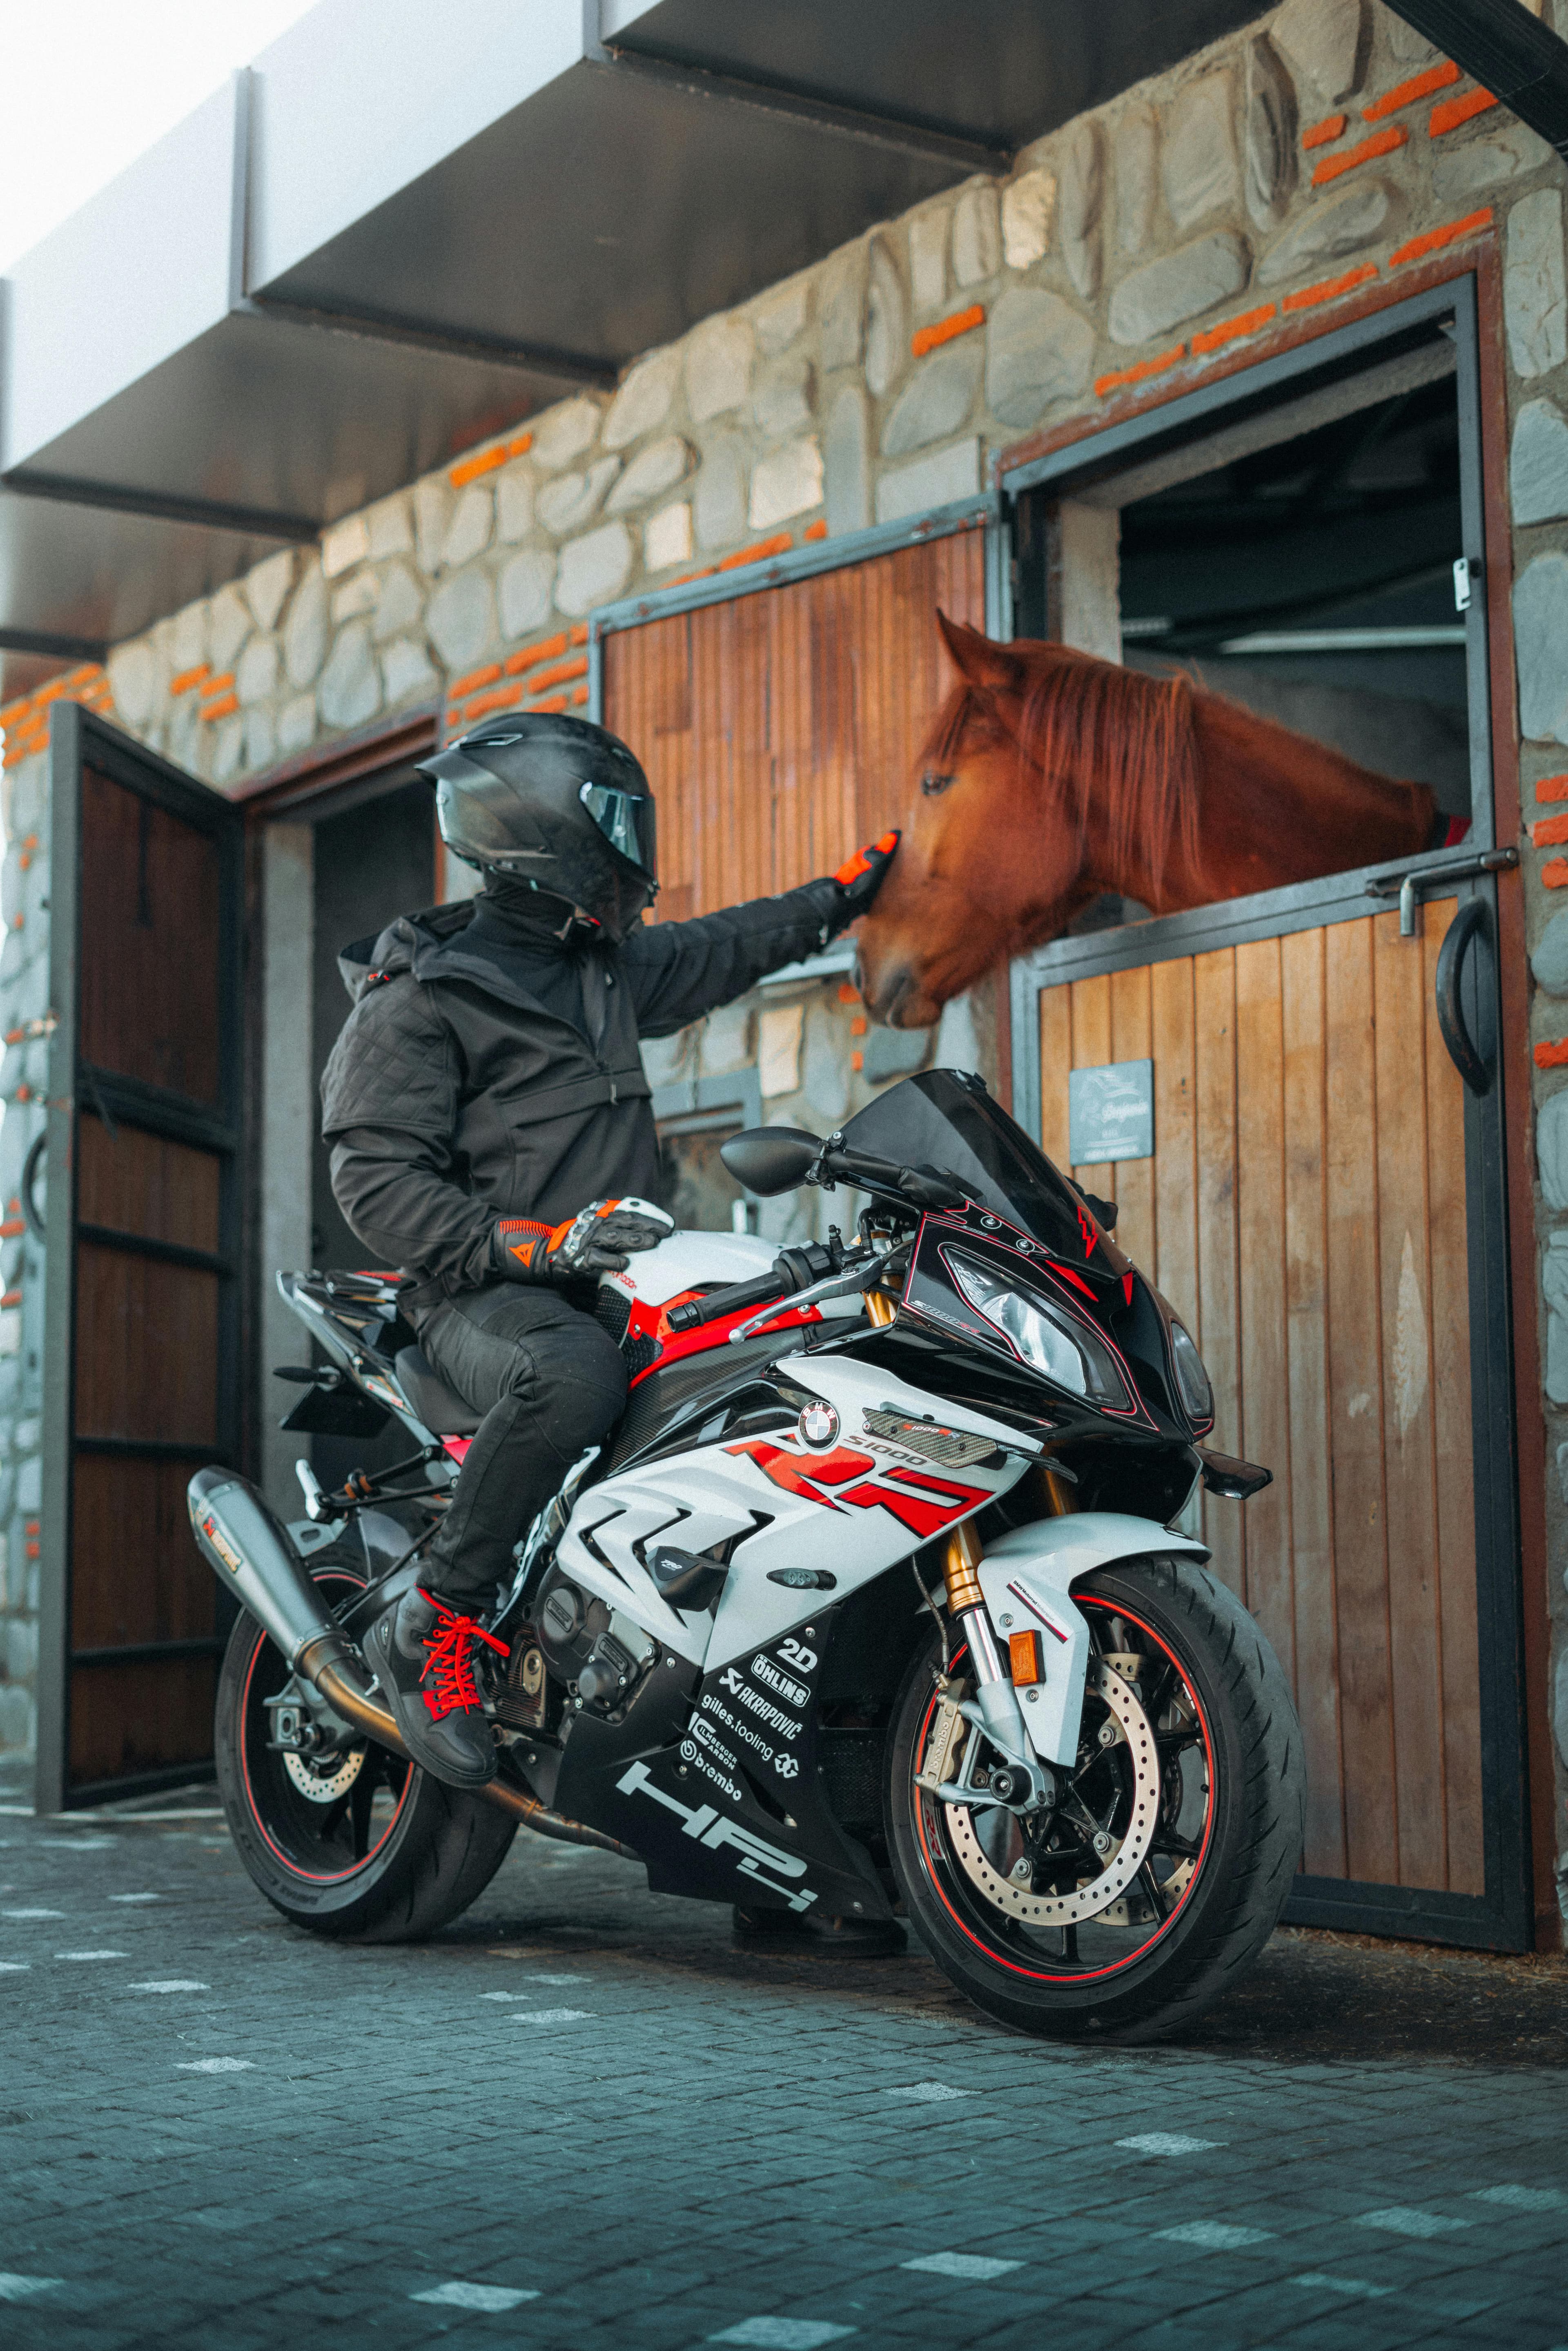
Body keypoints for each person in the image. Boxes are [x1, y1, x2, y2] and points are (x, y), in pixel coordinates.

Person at [320, 711, 898, 1815]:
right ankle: (431, 1621)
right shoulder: (422, 999)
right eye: (615, 817)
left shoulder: (604, 967)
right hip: (479, 1302)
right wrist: (532, 1246)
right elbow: (376, 1187)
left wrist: (842, 895)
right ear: (548, 833)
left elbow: (729, 947)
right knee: (573, 1374)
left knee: (775, 1374)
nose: (636, 841)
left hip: (619, 1286)